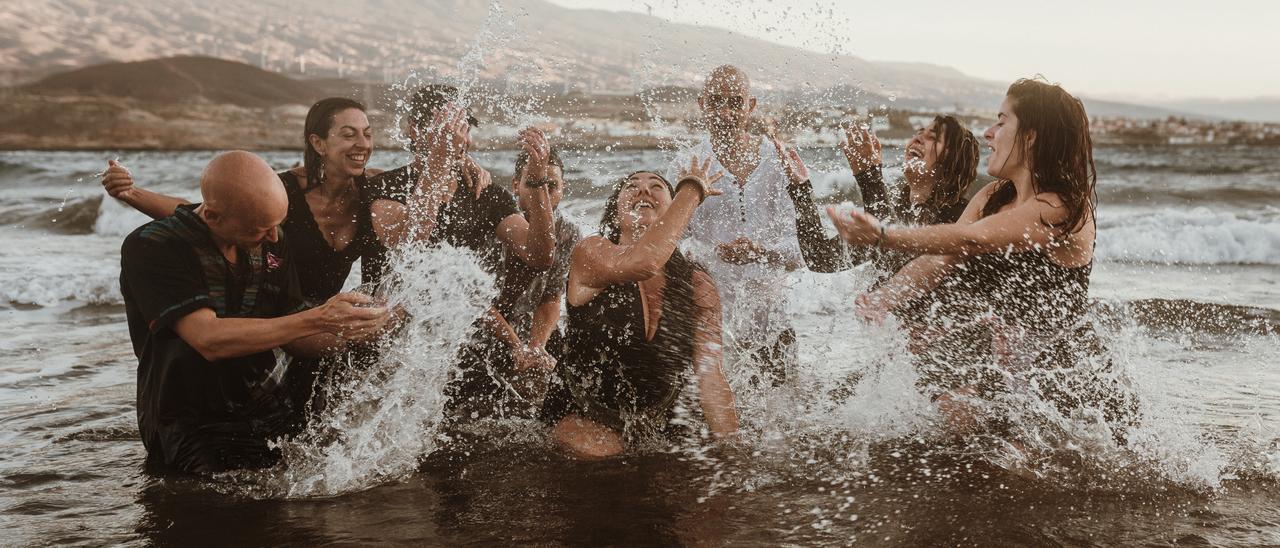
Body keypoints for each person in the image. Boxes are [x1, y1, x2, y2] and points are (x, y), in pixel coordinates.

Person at [827, 78, 1132, 433]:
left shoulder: (1062, 206)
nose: (989, 133)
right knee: (951, 414)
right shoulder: (992, 196)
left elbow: (970, 241)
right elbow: (943, 259)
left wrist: (884, 237)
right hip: (1012, 368)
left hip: (1069, 374)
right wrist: (884, 298)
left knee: (1065, 471)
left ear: (1031, 135)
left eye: (1002, 122)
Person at [120, 151, 390, 474]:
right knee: (209, 509)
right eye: (261, 229)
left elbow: (296, 337)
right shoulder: (154, 246)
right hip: (188, 420)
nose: (273, 237)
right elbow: (207, 339)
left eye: (277, 225)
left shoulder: (271, 236)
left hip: (263, 404)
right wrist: (318, 317)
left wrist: (351, 331)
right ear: (213, 217)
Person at [543, 159, 738, 459]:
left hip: (659, 417)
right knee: (602, 453)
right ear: (615, 211)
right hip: (583, 411)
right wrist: (692, 188)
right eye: (631, 187)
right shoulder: (591, 253)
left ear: (673, 211)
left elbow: (710, 374)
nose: (643, 191)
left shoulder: (697, 283)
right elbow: (644, 262)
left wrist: (731, 451)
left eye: (656, 187)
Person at [103, 97, 387, 303]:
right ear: (318, 143)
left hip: (328, 320)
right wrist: (132, 193)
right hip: (271, 318)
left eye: (368, 134)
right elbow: (204, 213)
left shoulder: (377, 192)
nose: (363, 144)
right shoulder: (282, 189)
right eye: (349, 135)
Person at [667, 65, 803, 386]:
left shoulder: (777, 161)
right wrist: (711, 253)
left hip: (774, 320)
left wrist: (763, 252)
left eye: (734, 102)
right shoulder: (685, 165)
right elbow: (670, 244)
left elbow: (801, 250)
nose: (725, 112)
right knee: (716, 422)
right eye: (715, 102)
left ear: (750, 106)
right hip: (712, 323)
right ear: (702, 105)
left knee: (784, 422)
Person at [363, 85, 555, 282]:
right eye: (448, 128)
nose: (458, 138)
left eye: (464, 128)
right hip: (390, 308)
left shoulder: (484, 193)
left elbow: (539, 257)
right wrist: (440, 159)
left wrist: (537, 181)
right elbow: (409, 248)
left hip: (461, 310)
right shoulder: (385, 186)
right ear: (414, 130)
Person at [448, 139, 582, 420]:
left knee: (564, 376)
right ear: (515, 185)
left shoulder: (567, 230)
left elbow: (551, 297)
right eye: (533, 184)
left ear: (563, 189)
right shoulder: (496, 221)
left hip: (528, 327)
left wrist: (537, 346)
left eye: (551, 186)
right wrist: (515, 346)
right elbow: (474, 300)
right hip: (472, 327)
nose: (542, 194)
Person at [780, 116, 981, 275]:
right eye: (919, 133)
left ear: (953, 161)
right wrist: (801, 189)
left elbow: (895, 266)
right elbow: (821, 258)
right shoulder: (902, 212)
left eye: (933, 138)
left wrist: (869, 177)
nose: (917, 139)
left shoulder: (958, 219)